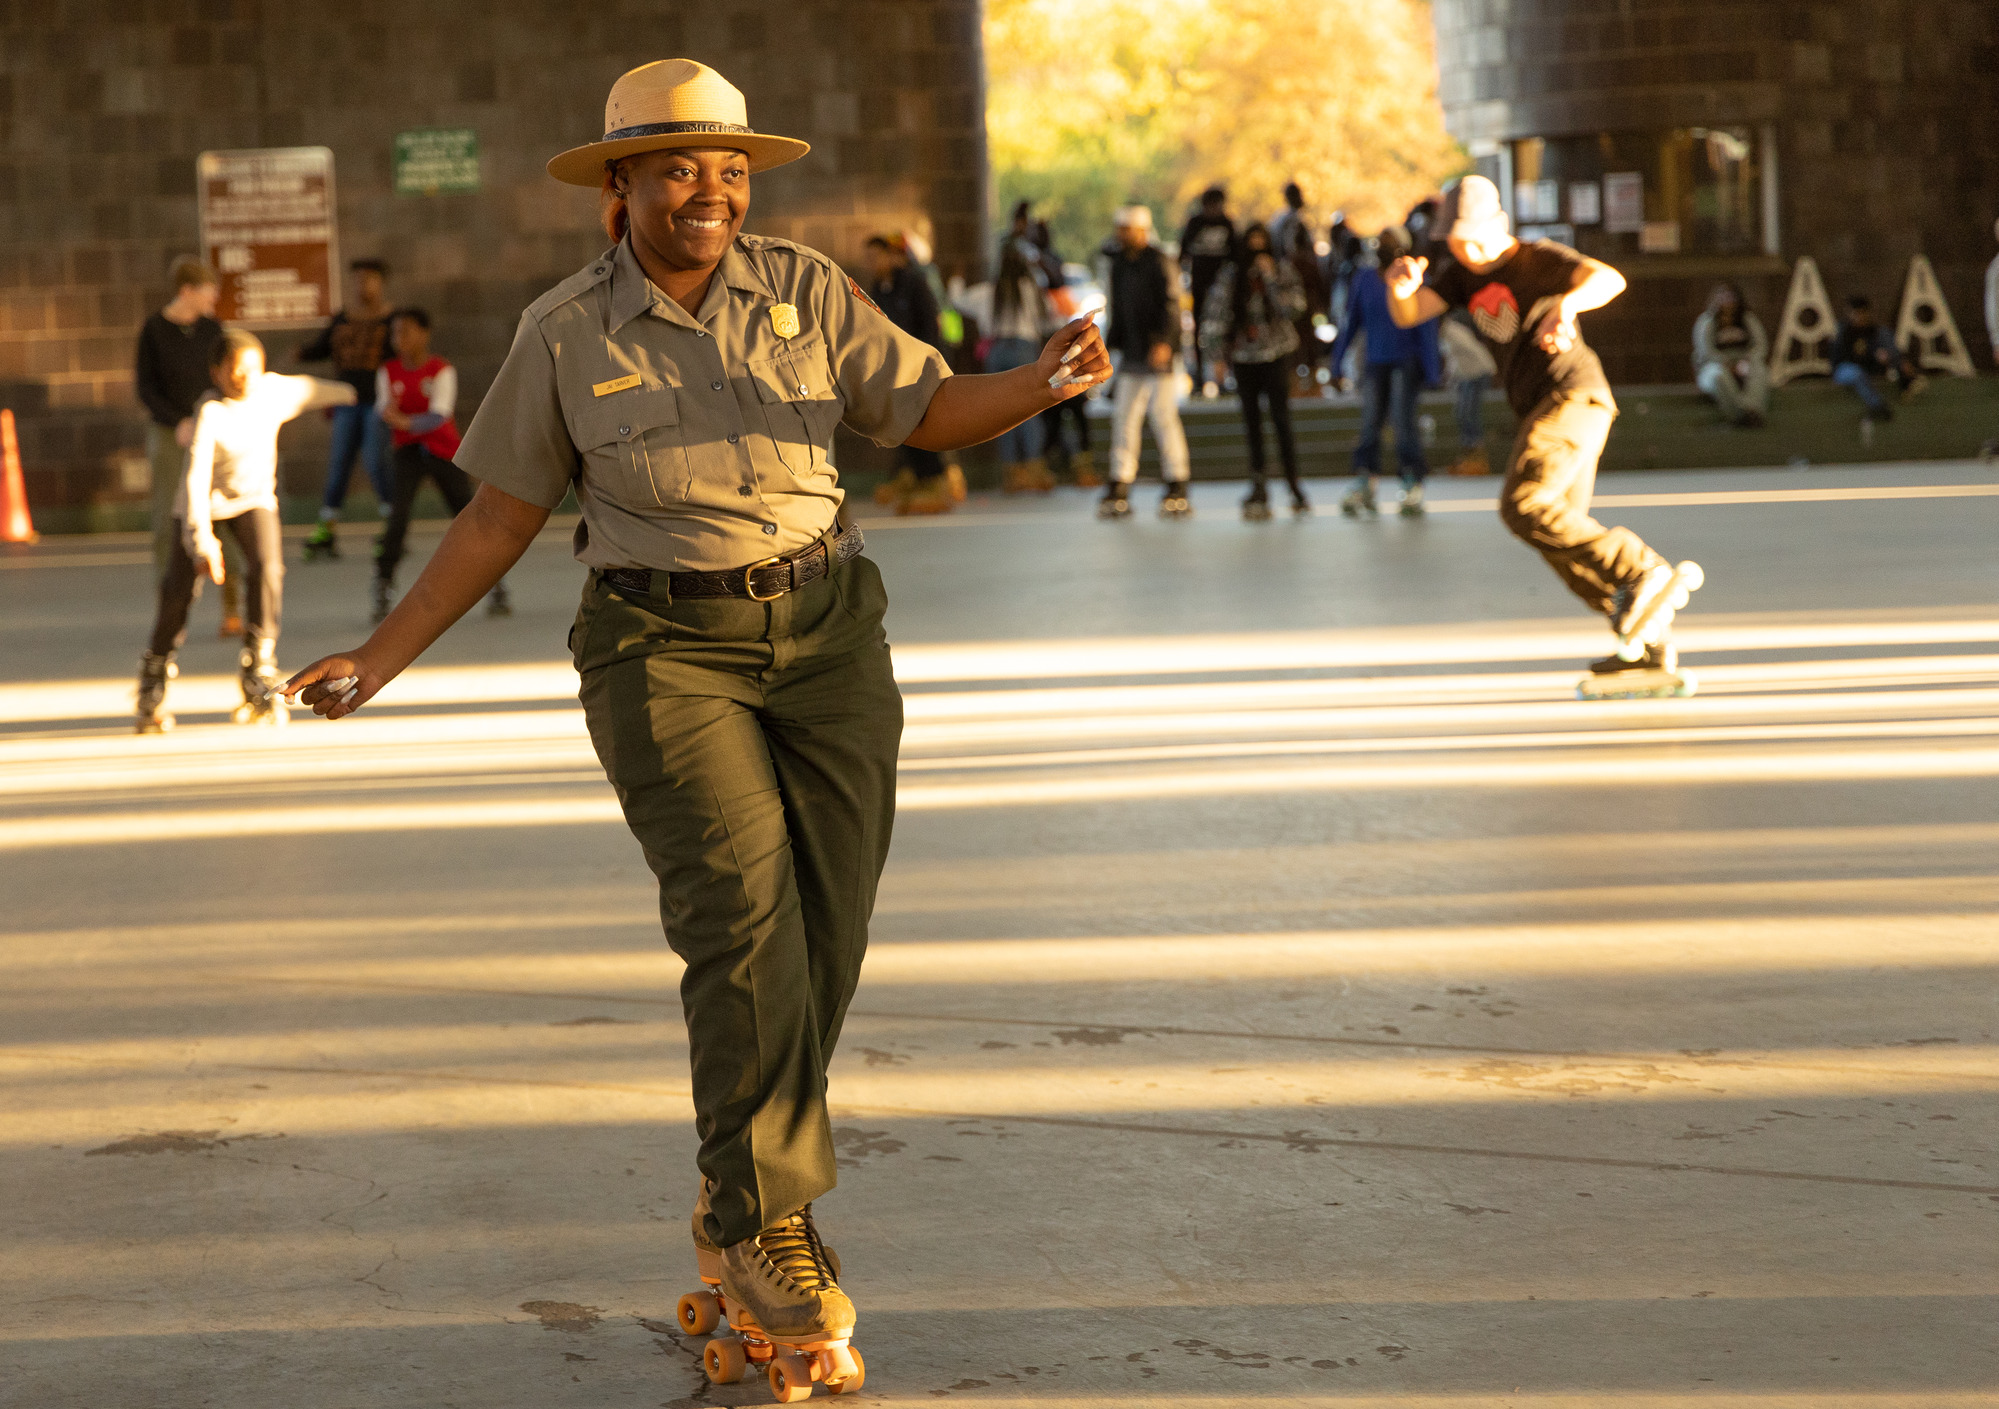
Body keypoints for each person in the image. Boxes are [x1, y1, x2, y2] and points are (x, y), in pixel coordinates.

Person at [280, 59, 1111, 1380]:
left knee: (822, 931)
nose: (709, 189)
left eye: (726, 167)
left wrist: (1037, 383)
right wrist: (381, 656)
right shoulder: (563, 331)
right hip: (662, 646)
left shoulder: (807, 292)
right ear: (618, 188)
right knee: (742, 916)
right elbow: (500, 513)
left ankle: (744, 1174)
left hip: (828, 630)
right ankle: (756, 1218)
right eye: (677, 166)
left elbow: (922, 409)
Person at [1386, 174, 1704, 684]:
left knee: (1523, 503)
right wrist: (1400, 290)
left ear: (1499, 224)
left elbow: (1610, 279)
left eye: (1472, 238)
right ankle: (1644, 641)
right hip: (1547, 409)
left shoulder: (1538, 259)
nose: (1464, 251)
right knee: (1558, 534)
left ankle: (1640, 568)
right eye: (1454, 241)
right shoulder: (1457, 276)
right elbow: (1410, 315)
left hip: (1574, 396)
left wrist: (1567, 303)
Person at [135, 329, 354, 732]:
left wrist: (358, 393)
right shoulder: (211, 413)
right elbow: (196, 481)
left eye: (253, 369)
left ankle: (259, 666)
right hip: (203, 505)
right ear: (216, 373)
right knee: (178, 590)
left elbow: (315, 390)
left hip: (253, 499)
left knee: (268, 568)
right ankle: (153, 678)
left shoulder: (273, 392)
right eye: (236, 371)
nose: (245, 379)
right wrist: (201, 542)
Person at [371, 308, 512, 623]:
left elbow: (439, 415)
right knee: (397, 518)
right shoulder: (389, 371)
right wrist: (400, 421)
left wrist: (405, 420)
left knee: (470, 516)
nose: (400, 339)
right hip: (407, 453)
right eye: (395, 333)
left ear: (424, 333)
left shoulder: (440, 370)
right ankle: (382, 584)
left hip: (444, 451)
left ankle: (496, 584)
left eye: (406, 331)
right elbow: (384, 409)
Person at [134, 256, 243, 634]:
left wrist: (207, 418)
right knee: (170, 519)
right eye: (207, 290)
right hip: (170, 434)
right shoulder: (154, 329)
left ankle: (232, 608)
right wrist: (176, 420)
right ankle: (168, 610)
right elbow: (145, 387)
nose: (214, 297)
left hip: (210, 428)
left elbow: (227, 377)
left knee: (224, 517)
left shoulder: (213, 330)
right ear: (186, 291)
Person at [1330, 225, 1441, 517]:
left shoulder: (1414, 276)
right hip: (1376, 360)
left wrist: (1432, 368)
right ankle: (1365, 479)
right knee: (1370, 422)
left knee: (1404, 422)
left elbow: (1426, 326)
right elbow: (1351, 321)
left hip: (1407, 359)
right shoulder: (1365, 278)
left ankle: (1411, 480)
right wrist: (1337, 360)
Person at [1200, 224, 1309, 518]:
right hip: (1244, 357)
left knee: (1281, 420)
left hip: (1276, 353)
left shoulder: (1281, 270)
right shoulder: (1232, 275)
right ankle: (1258, 484)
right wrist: (1215, 356)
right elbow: (1216, 313)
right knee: (1252, 423)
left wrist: (1271, 278)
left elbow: (1296, 308)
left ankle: (1293, 484)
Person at [296, 257, 394, 560]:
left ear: (379, 282)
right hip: (346, 403)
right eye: (356, 279)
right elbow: (321, 347)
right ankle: (327, 527)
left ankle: (394, 526)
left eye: (368, 278)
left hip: (377, 403)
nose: (361, 285)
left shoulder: (391, 320)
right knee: (339, 464)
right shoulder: (342, 318)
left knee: (377, 462)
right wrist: (298, 354)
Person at [862, 235, 966, 514]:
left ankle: (935, 481)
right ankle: (920, 481)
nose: (871, 264)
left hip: (920, 368)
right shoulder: (877, 289)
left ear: (890, 256)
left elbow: (930, 326)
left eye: (875, 257)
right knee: (903, 425)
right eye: (867, 259)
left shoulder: (914, 283)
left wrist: (924, 365)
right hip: (893, 370)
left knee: (923, 420)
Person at [1100, 204, 1191, 519]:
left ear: (1140, 230)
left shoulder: (1159, 261)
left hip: (1157, 353)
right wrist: (1110, 347)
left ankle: (1177, 481)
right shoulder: (1120, 265)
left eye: (1126, 229)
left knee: (1163, 417)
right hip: (1132, 353)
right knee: (1124, 418)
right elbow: (1119, 310)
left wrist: (1166, 342)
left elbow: (1171, 303)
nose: (1120, 235)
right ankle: (1120, 481)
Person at [956, 238, 1055, 493]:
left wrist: (956, 278)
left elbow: (957, 300)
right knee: (1030, 412)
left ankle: (1012, 475)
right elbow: (1048, 320)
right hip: (1025, 351)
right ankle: (1034, 469)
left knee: (1002, 414)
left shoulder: (989, 290)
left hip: (997, 352)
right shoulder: (1031, 289)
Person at [1030, 219, 1099, 486]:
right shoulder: (1052, 283)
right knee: (1059, 415)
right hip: (1059, 353)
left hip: (1060, 352)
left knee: (1061, 414)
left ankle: (1068, 465)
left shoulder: (1046, 280)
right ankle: (1068, 465)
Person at [1831, 294, 1925, 422]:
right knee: (1855, 373)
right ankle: (1878, 405)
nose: (1859, 317)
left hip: (1869, 368)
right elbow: (1844, 356)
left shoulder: (1875, 331)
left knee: (1886, 341)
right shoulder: (1843, 331)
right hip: (1844, 369)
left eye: (1862, 313)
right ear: (1849, 313)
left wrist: (1896, 359)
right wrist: (1873, 356)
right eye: (1855, 313)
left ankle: (1908, 379)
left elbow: (1889, 348)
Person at [1178, 187, 1235, 392]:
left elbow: (1235, 255)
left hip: (1222, 286)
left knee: (1223, 329)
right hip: (1199, 284)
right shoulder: (1195, 223)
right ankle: (1199, 375)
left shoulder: (1227, 224)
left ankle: (1223, 376)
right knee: (1199, 330)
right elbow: (1183, 252)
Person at [1692, 282, 1770, 427]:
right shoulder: (1707, 322)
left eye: (1731, 298)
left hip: (1743, 361)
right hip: (1714, 366)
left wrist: (1746, 361)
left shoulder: (1746, 319)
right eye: (1723, 298)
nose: (1727, 303)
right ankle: (1739, 414)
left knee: (1759, 370)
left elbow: (1760, 345)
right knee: (1719, 376)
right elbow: (1705, 352)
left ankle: (1752, 409)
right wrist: (1726, 363)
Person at [1439, 313, 1496, 475]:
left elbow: (1474, 349)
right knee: (1460, 412)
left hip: (1478, 373)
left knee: (1468, 412)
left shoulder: (1452, 329)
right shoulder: (1444, 333)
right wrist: (1450, 378)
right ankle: (1468, 453)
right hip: (1466, 375)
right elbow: (1453, 358)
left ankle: (1476, 454)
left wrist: (1490, 371)